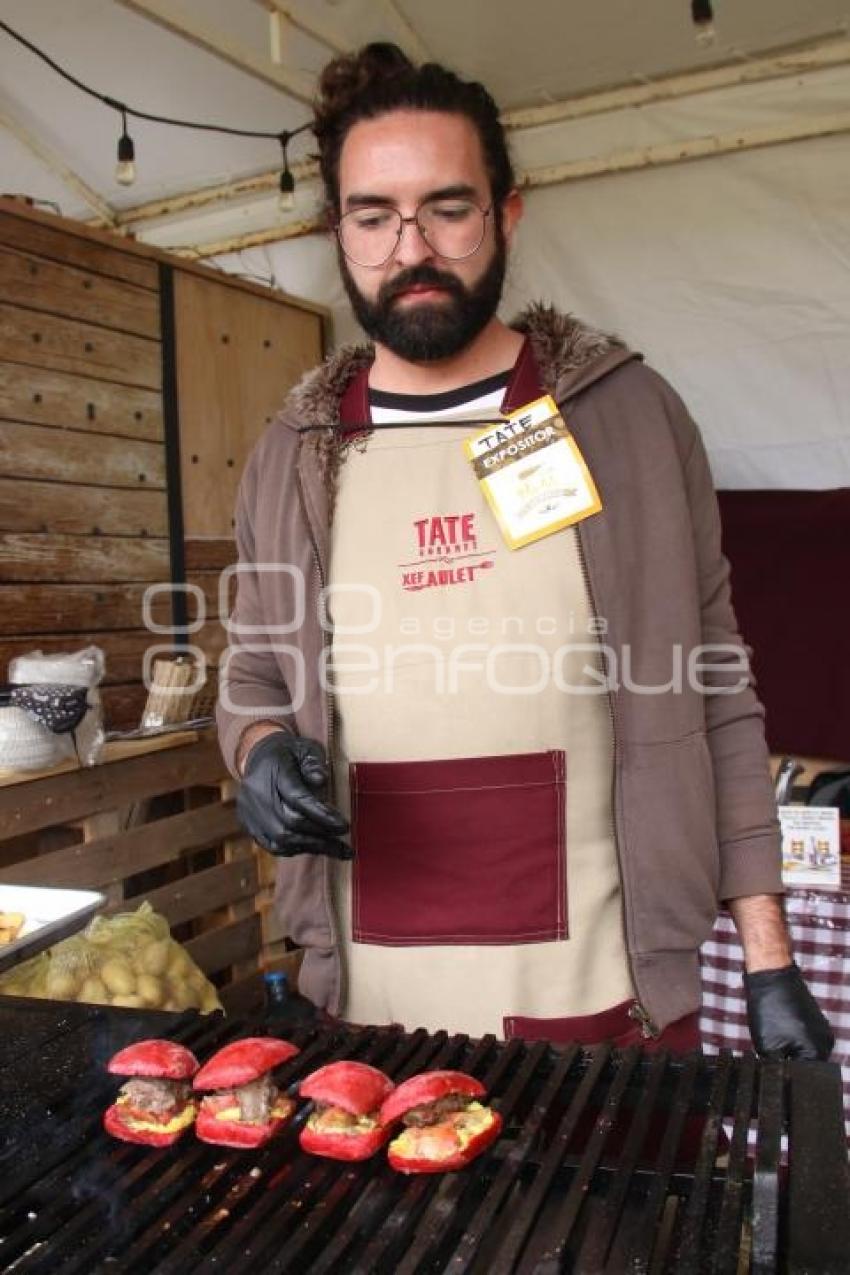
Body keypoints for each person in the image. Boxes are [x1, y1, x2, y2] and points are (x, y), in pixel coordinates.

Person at [217, 43, 832, 1058]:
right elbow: (249, 674)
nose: (409, 247)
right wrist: (257, 749)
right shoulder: (290, 453)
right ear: (338, 232)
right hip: (370, 1003)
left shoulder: (625, 415)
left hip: (605, 992)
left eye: (446, 208)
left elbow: (715, 683)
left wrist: (768, 958)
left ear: (505, 212)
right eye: (373, 216)